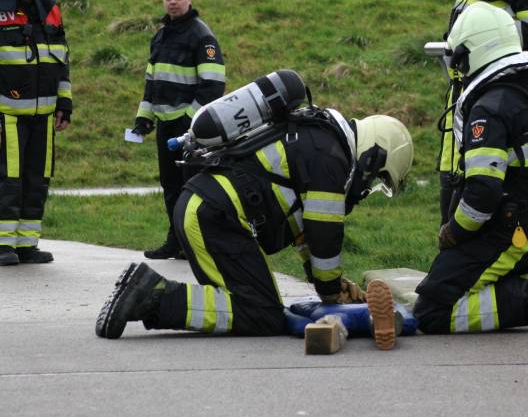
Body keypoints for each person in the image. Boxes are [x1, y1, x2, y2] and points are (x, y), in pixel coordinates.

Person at [96, 70, 414, 349]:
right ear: (373, 155)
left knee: (244, 305)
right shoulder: (331, 158)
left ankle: (147, 292)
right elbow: (323, 232)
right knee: (261, 313)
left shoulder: (319, 140)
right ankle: (151, 295)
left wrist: (332, 286)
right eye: (375, 180)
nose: (365, 189)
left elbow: (305, 234)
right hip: (216, 216)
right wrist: (331, 290)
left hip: (204, 210)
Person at [414, 2, 528, 335]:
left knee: (432, 310)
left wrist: (455, 230)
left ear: (474, 51)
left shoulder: (490, 107)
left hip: (508, 234)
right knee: (442, 285)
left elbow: (483, 191)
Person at [438, 0, 528, 225]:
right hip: (464, 93)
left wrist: (479, 43)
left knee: (471, 195)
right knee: (452, 187)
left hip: (487, 95)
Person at [133, 0, 225, 260]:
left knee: (192, 186)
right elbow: (152, 82)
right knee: (171, 186)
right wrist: (144, 117)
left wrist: (190, 121)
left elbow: (213, 86)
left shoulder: (202, 36)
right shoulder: (161, 35)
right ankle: (176, 242)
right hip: (165, 124)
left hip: (189, 128)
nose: (172, 2)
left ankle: (196, 244)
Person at [0, 0, 70, 266]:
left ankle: (27, 244)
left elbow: (62, 58)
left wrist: (64, 102)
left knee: (37, 178)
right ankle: (2, 245)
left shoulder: (50, 9)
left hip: (43, 115)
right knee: (8, 179)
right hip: (6, 114)